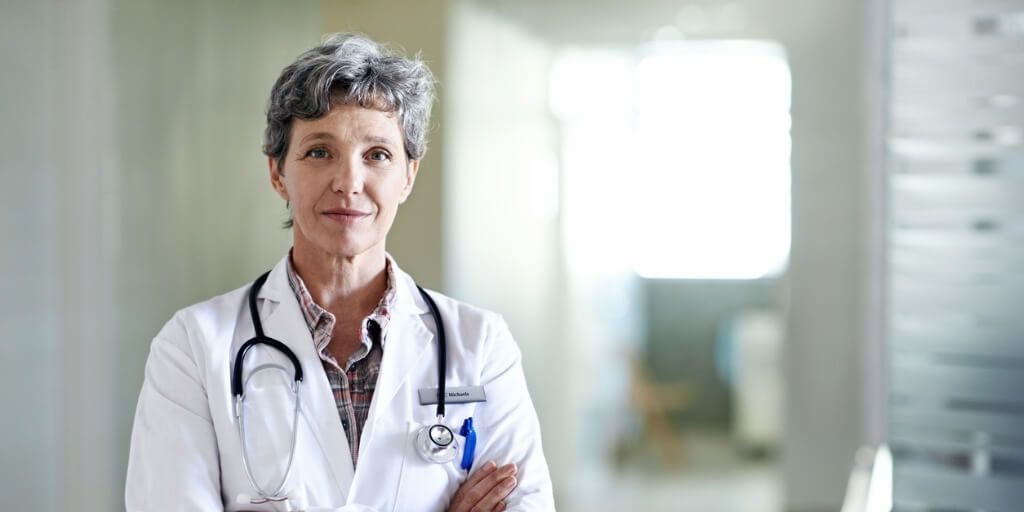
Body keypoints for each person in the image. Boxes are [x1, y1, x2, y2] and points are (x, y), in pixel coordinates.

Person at [125, 33, 554, 511]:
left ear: (408, 175)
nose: (348, 182)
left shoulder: (481, 345)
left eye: (377, 155)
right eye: (319, 152)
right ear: (277, 172)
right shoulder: (192, 347)